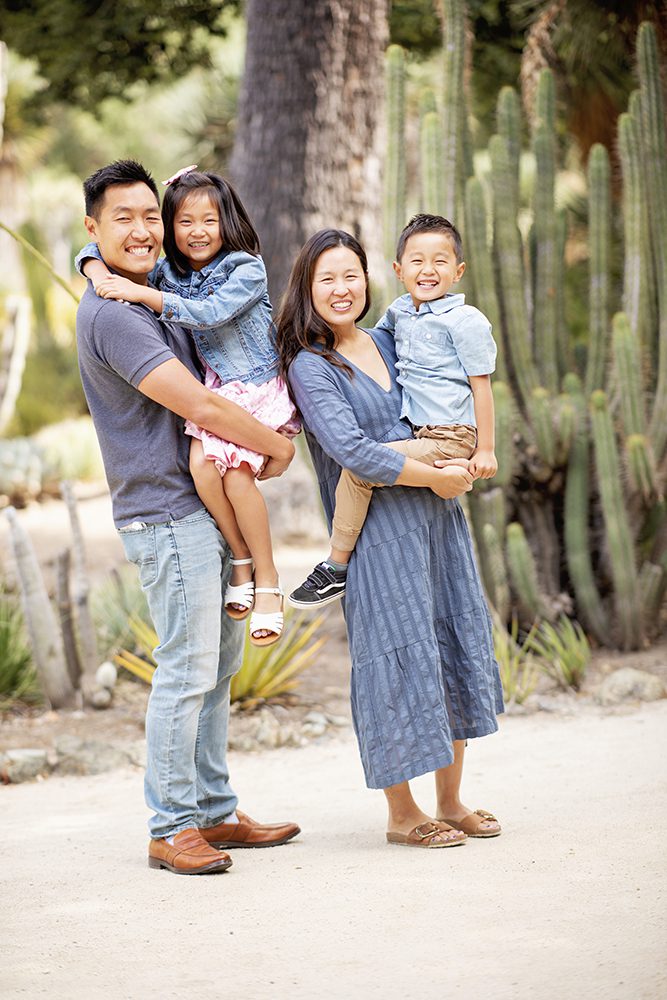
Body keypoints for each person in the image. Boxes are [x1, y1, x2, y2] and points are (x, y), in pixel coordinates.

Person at [76, 159, 300, 874]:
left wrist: (93, 264)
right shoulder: (116, 313)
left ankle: (211, 809)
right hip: (165, 511)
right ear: (93, 228)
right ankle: (171, 825)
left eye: (151, 217)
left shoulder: (146, 289)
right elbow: (199, 405)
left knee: (217, 666)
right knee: (187, 667)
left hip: (196, 503)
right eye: (123, 219)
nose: (142, 231)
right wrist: (276, 447)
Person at [275, 229, 503, 847]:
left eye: (351, 275)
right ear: (308, 289)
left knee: (448, 643)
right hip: (377, 538)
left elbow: (446, 397)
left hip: (437, 523)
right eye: (328, 279)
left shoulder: (389, 338)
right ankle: (403, 816)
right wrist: (439, 474)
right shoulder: (311, 366)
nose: (342, 289)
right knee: (395, 660)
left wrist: (469, 455)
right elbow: (352, 452)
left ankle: (450, 802)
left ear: (369, 279)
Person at [77, 166, 298, 646]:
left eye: (209, 221)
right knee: (204, 467)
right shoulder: (158, 281)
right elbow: (94, 251)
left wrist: (141, 292)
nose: (198, 232)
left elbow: (211, 312)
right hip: (217, 403)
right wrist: (94, 268)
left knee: (235, 475)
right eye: (185, 222)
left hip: (256, 388)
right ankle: (243, 558)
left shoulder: (242, 268)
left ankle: (268, 578)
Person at [290, 213, 497, 609]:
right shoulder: (399, 316)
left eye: (441, 261)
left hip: (449, 435)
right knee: (362, 466)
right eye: (417, 261)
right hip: (427, 440)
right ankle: (339, 563)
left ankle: (335, 566)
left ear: (459, 270)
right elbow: (352, 443)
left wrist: (484, 449)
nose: (429, 270)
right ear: (398, 270)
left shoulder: (466, 321)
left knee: (359, 474)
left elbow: (480, 386)